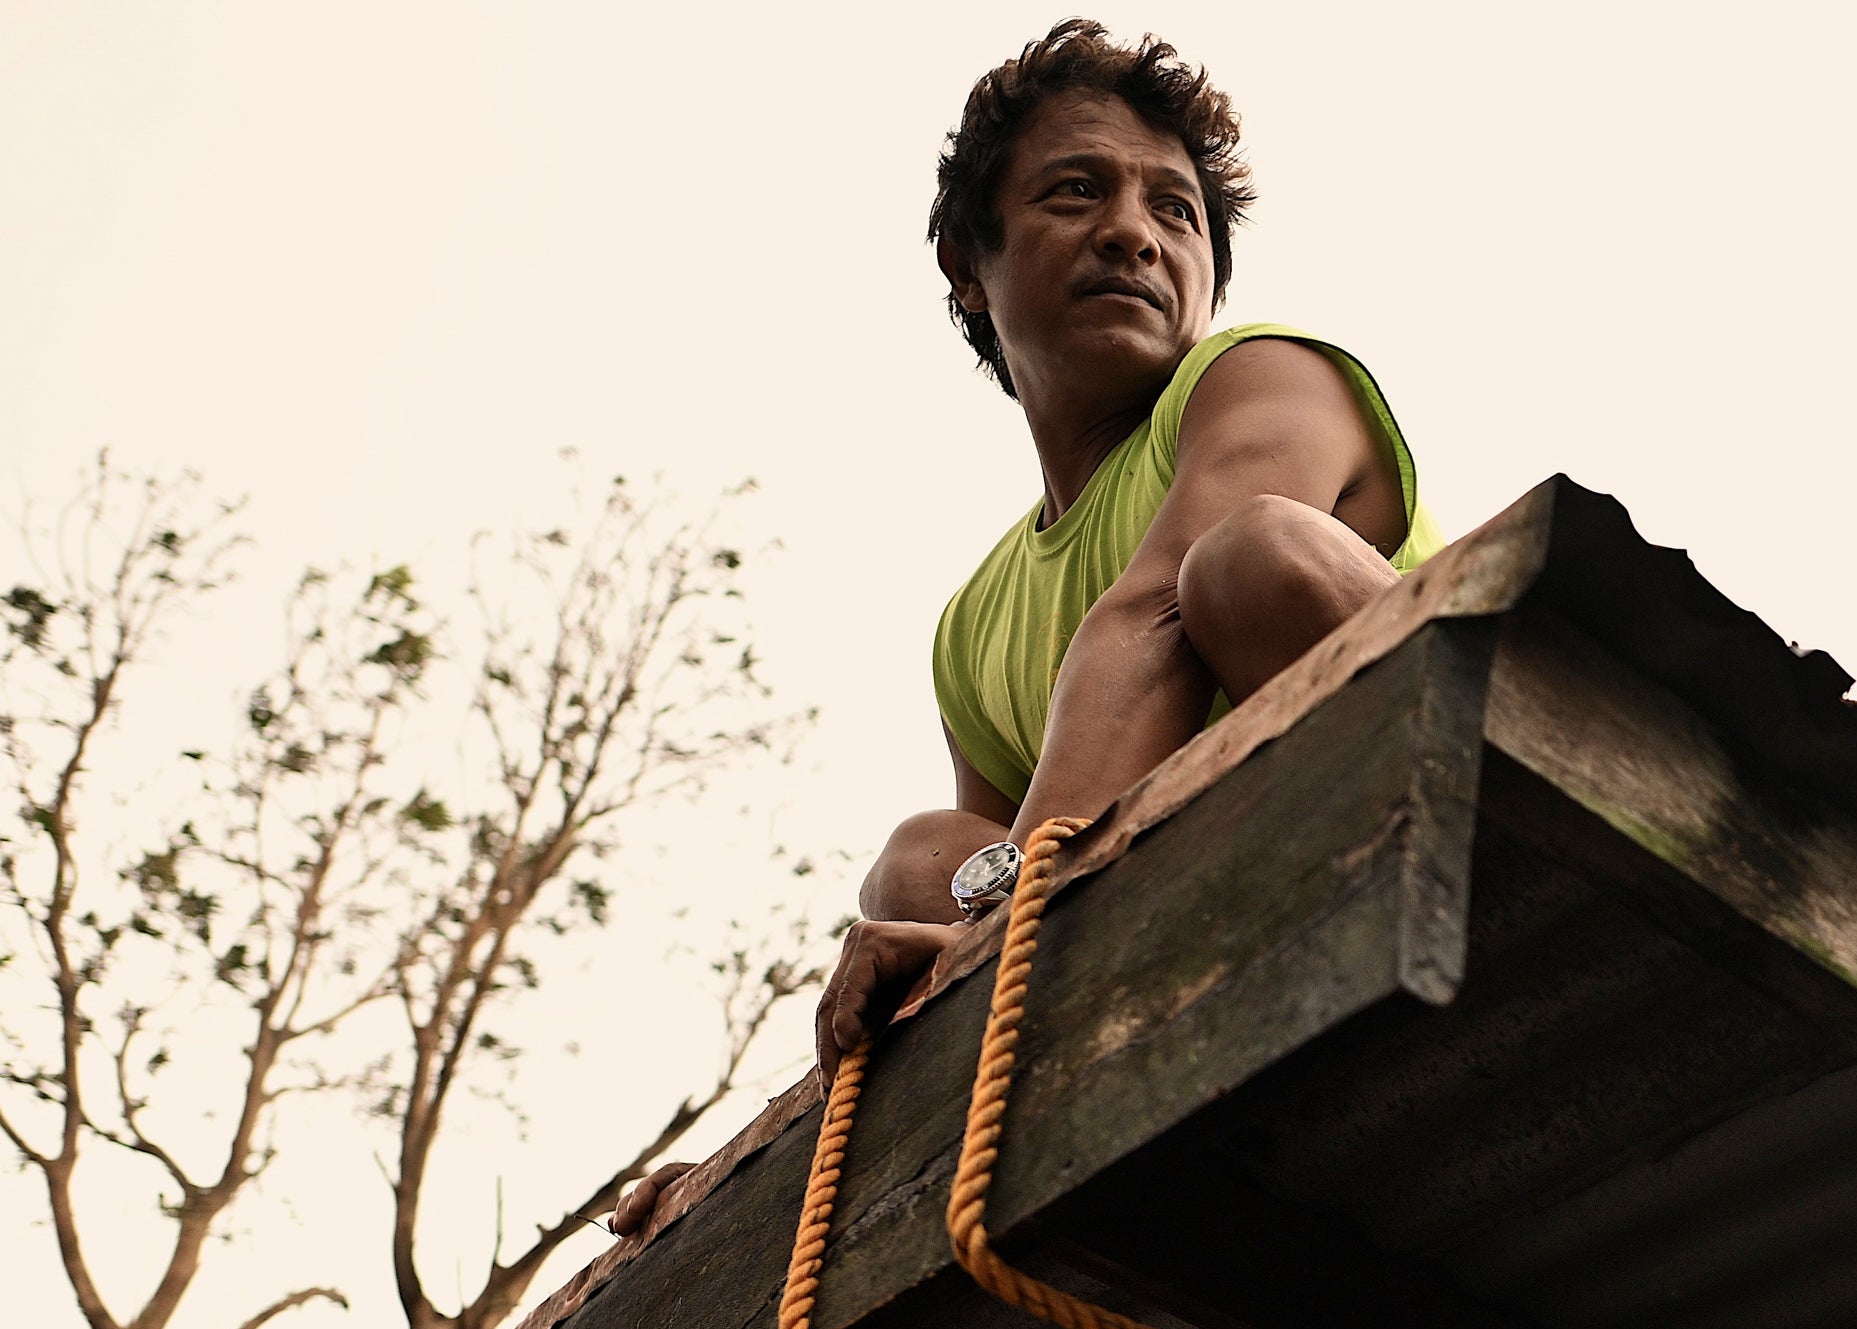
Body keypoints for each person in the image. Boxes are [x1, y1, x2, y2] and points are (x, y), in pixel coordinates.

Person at [610, 19, 1436, 1238]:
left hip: (1420, 807)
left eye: (1177, 212)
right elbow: (956, 904)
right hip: (1184, 929)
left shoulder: (1263, 376)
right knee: (917, 857)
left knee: (1246, 561)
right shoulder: (974, 627)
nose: (1133, 231)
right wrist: (766, 1154)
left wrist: (972, 934)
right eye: (1076, 190)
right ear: (966, 263)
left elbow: (1154, 612)